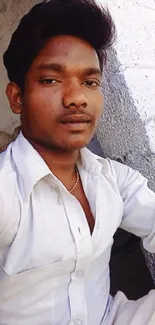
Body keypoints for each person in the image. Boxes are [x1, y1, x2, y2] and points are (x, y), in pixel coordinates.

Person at [1, 0, 155, 324]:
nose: (77, 98)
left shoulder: (113, 179)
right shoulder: (7, 193)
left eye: (89, 82)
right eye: (51, 80)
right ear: (17, 98)